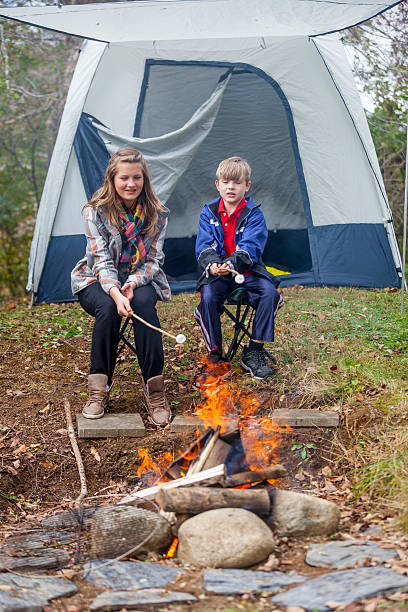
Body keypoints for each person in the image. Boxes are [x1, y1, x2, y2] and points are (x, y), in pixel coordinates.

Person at [71, 147, 172, 426]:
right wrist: (116, 292)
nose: (131, 184)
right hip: (94, 279)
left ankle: (156, 392)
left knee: (143, 305)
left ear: (144, 179)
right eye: (124, 178)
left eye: (136, 178)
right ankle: (98, 391)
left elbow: (154, 261)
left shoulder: (157, 214)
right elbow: (102, 261)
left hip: (140, 278)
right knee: (107, 308)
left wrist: (133, 282)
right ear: (112, 179)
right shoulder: (96, 212)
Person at [194, 156, 283, 380]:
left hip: (247, 271)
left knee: (270, 293)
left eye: (237, 183)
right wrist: (213, 264)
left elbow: (251, 249)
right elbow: (204, 245)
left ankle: (254, 351)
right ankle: (214, 354)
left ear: (247, 186)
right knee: (209, 295)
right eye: (225, 182)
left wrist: (231, 264)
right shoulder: (209, 212)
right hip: (218, 274)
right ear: (218, 185)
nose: (231, 187)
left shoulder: (254, 214)